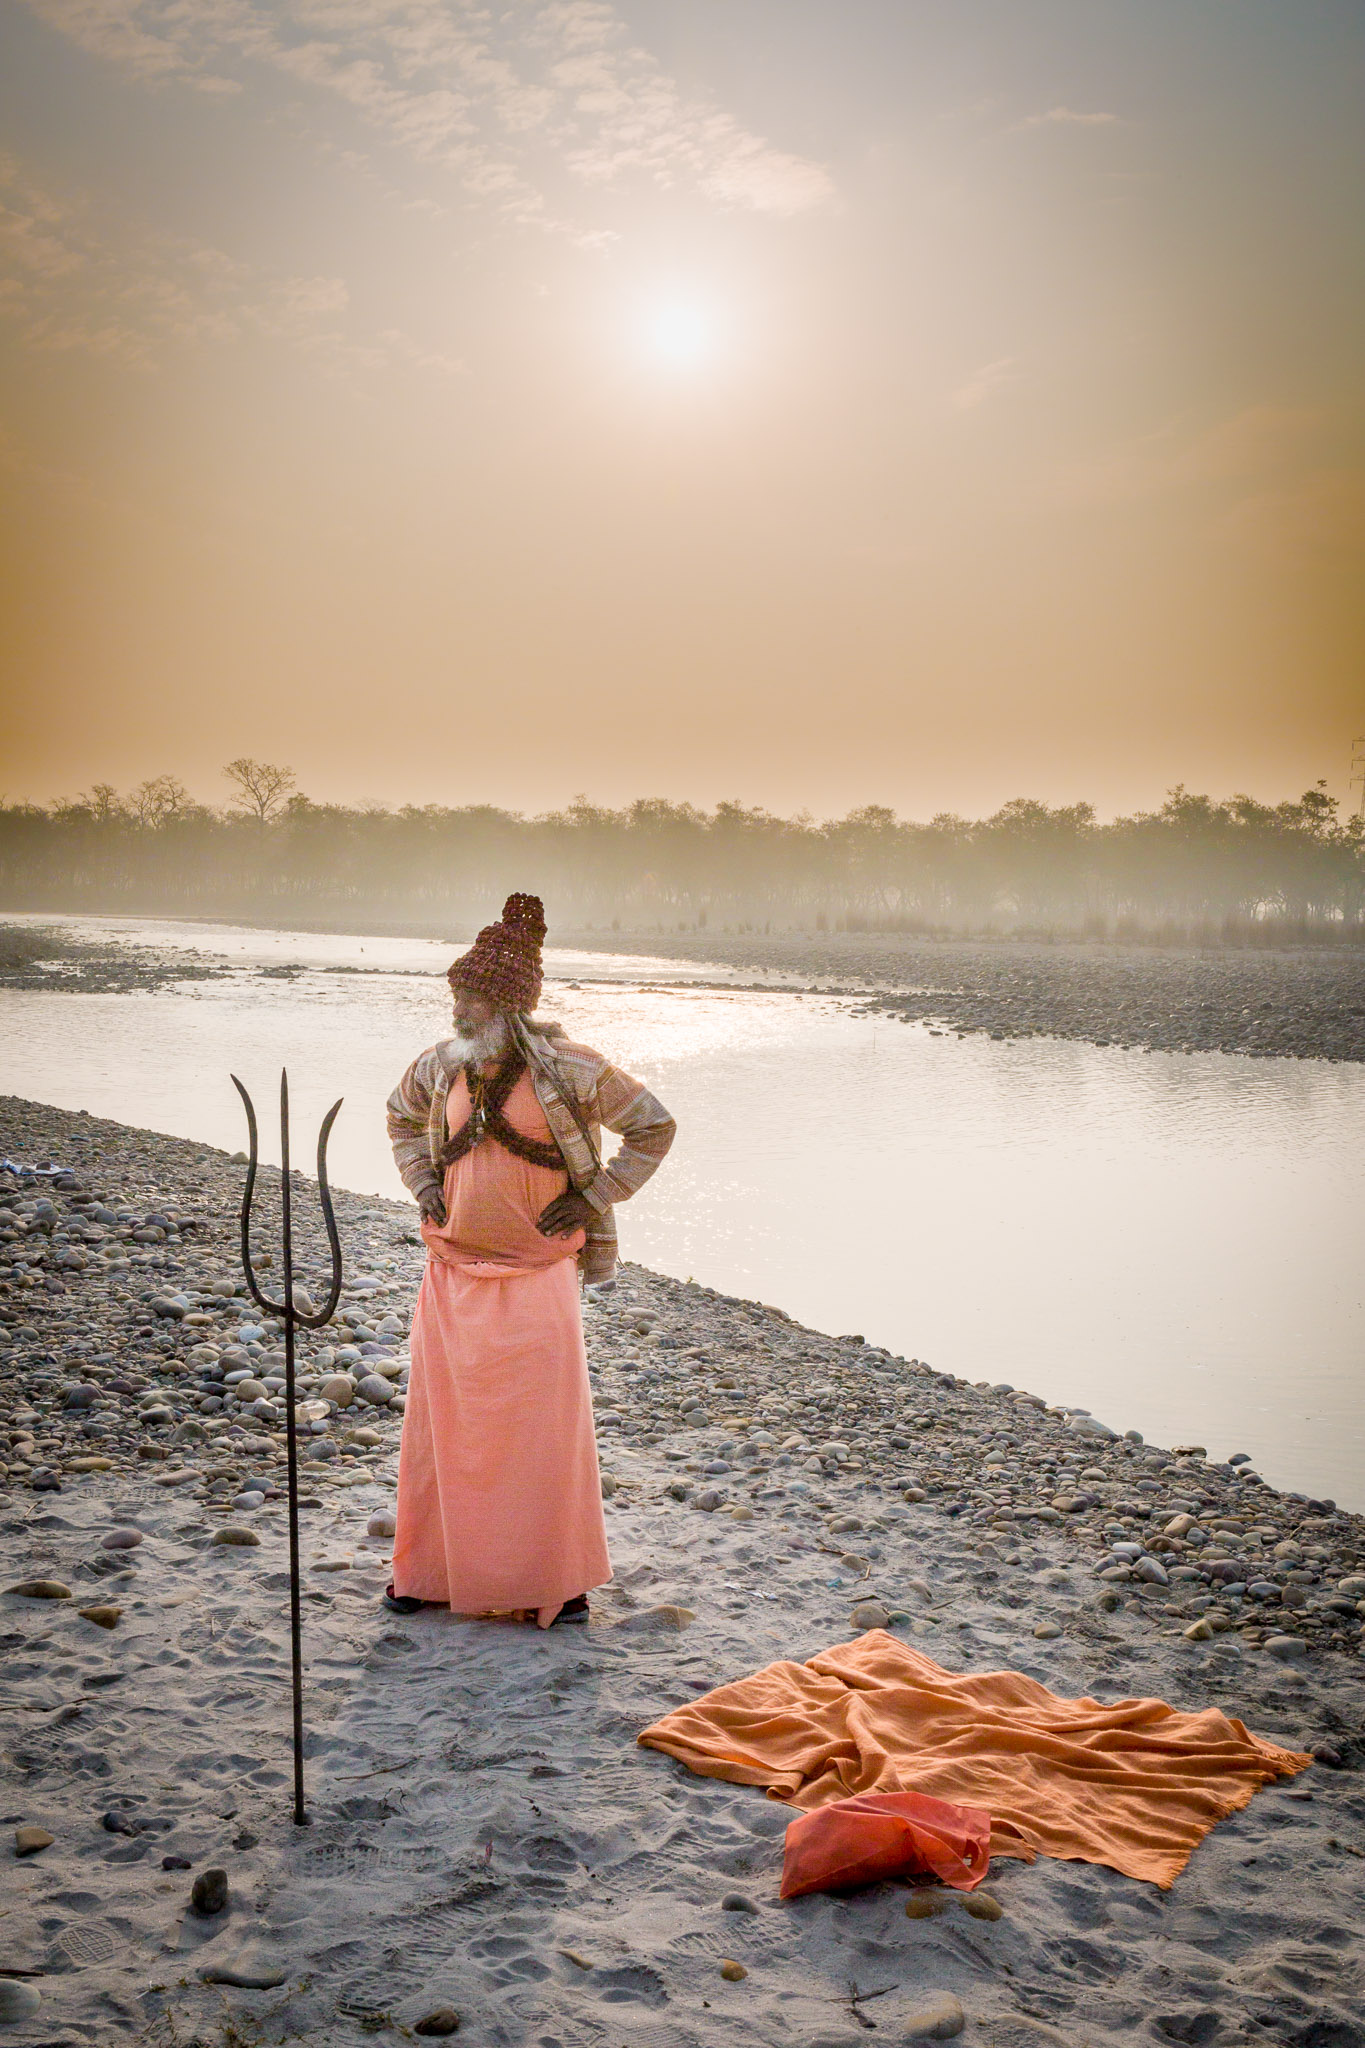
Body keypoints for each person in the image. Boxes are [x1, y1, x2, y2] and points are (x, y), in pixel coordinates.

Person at [383, 893, 676, 1626]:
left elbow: (654, 1127)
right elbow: (396, 1118)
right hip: (450, 1279)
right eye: (456, 994)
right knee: (442, 1436)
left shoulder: (573, 1069)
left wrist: (598, 1195)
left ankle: (555, 1583)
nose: (458, 1010)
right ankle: (427, 1576)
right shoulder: (439, 1066)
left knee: (540, 1439)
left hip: (538, 1278)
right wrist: (424, 1185)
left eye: (473, 999)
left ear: (510, 1006)